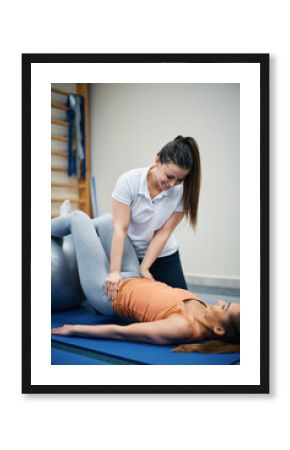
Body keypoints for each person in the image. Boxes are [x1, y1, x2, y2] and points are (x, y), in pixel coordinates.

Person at [51, 209, 239, 354]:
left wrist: (74, 329)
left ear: (219, 330)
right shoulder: (205, 309)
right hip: (132, 276)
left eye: (224, 307)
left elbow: (123, 332)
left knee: (79, 218)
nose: (220, 302)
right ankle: (65, 227)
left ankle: (49, 227)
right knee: (108, 220)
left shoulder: (182, 328)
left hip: (108, 293)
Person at [104, 135, 201, 301]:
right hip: (131, 253)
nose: (172, 184)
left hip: (163, 253)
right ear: (157, 160)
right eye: (170, 176)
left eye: (180, 180)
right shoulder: (129, 181)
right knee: (133, 307)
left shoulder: (182, 192)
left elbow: (164, 232)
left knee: (185, 304)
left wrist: (145, 268)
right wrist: (114, 272)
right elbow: (120, 229)